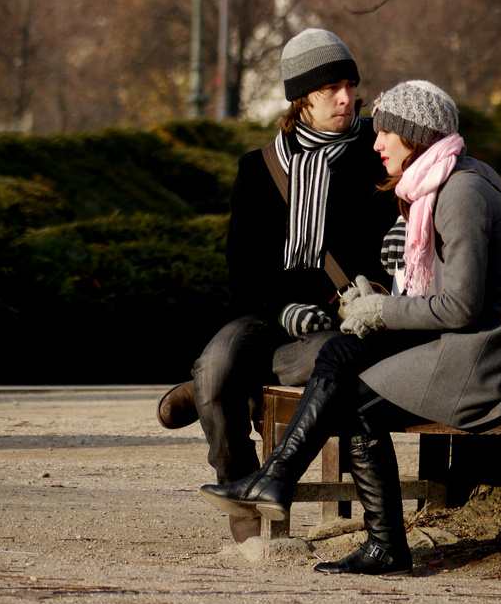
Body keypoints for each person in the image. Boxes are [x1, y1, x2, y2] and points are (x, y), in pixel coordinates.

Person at [199, 79, 501, 574]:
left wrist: (382, 313)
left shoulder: (462, 192)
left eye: (386, 133)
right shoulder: (439, 183)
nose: (376, 142)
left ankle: (378, 539)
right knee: (342, 355)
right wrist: (379, 296)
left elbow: (462, 306)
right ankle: (278, 479)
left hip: (490, 355)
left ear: (415, 137)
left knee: (352, 394)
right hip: (467, 342)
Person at [159, 29, 392, 542]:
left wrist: (360, 295)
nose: (346, 98)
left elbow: (389, 258)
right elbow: (240, 273)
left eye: (351, 86)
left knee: (313, 360)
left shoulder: (378, 156)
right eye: (331, 88)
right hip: (265, 315)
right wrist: (283, 309)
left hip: (339, 322)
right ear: (300, 98)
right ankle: (241, 500)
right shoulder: (259, 169)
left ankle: (203, 391)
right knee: (219, 363)